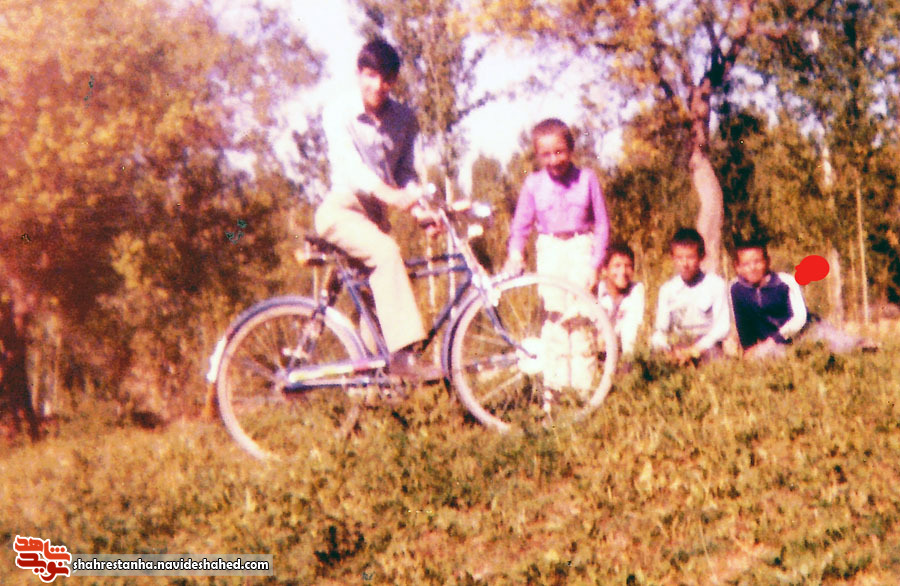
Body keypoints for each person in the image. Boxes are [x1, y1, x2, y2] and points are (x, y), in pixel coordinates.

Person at [314, 39, 437, 379]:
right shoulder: (338, 112)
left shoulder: (405, 119)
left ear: (394, 81)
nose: (377, 86)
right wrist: (391, 195)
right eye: (370, 75)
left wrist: (421, 211)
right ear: (359, 74)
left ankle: (373, 386)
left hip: (374, 218)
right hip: (341, 210)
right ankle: (403, 357)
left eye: (385, 79)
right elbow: (352, 169)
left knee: (377, 305)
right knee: (386, 254)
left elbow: (407, 174)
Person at [501, 118, 610, 391]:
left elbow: (602, 224)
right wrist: (515, 254)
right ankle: (557, 390)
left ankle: (584, 392)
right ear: (538, 155)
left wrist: (595, 264)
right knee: (555, 319)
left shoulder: (587, 179)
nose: (554, 160)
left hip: (580, 246)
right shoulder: (533, 184)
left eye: (559, 152)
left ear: (571, 149)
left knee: (582, 317)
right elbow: (521, 225)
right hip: (550, 248)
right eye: (546, 154)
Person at [730, 238, 875, 358]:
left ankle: (862, 346)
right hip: (774, 343)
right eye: (746, 264)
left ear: (767, 261)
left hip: (804, 331)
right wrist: (748, 348)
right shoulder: (736, 289)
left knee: (831, 341)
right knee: (768, 356)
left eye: (757, 262)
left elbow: (799, 318)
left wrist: (774, 339)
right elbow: (742, 322)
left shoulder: (784, 282)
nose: (752, 268)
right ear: (737, 267)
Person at [651, 228, 730, 364]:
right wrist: (666, 350)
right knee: (651, 360)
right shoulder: (667, 290)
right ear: (672, 258)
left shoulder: (715, 284)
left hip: (706, 345)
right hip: (678, 343)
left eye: (690, 257)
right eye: (679, 258)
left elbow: (722, 327)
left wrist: (695, 349)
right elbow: (661, 329)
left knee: (719, 362)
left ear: (701, 257)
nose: (685, 264)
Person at [596, 242, 645, 358]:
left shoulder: (636, 291)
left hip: (622, 353)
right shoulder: (597, 292)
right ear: (605, 270)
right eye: (617, 266)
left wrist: (628, 358)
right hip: (597, 351)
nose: (623, 272)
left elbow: (632, 327)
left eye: (628, 266)